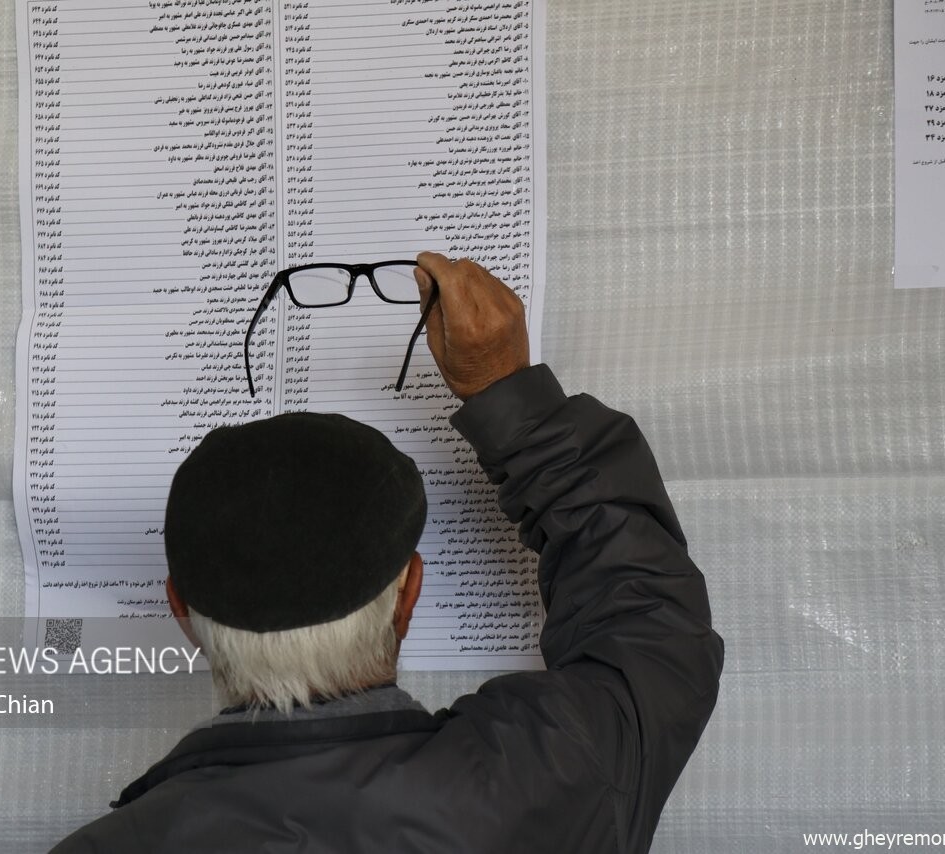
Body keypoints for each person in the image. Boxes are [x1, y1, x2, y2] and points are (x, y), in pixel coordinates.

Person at [50, 252, 724, 853]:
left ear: (180, 611)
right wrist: (508, 394)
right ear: (409, 592)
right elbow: (651, 635)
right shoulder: (545, 778)